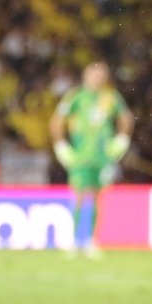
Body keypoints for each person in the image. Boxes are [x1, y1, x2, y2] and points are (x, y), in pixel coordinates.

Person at [49, 62, 134, 257]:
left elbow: (126, 118)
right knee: (78, 195)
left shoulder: (111, 97)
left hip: (102, 157)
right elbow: (57, 120)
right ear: (86, 76)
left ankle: (92, 241)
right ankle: (73, 240)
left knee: (97, 197)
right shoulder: (76, 97)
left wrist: (122, 139)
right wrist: (60, 145)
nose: (98, 78)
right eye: (94, 74)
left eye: (101, 75)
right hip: (80, 156)